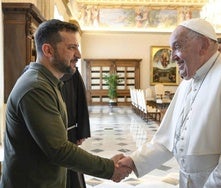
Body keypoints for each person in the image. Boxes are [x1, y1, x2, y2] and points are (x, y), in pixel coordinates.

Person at [118, 18, 221, 187]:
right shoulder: (187, 83)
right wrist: (132, 161)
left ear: (203, 45)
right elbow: (167, 140)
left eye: (177, 46)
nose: (172, 56)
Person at [0, 19, 131, 188]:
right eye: (71, 47)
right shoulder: (36, 88)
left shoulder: (47, 83)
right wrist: (109, 168)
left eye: (77, 47)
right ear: (48, 50)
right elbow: (59, 149)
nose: (79, 55)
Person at [60, 67, 91, 188]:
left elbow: (81, 101)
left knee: (72, 173)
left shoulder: (73, 73)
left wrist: (81, 132)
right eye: (71, 47)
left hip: (70, 132)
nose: (77, 54)